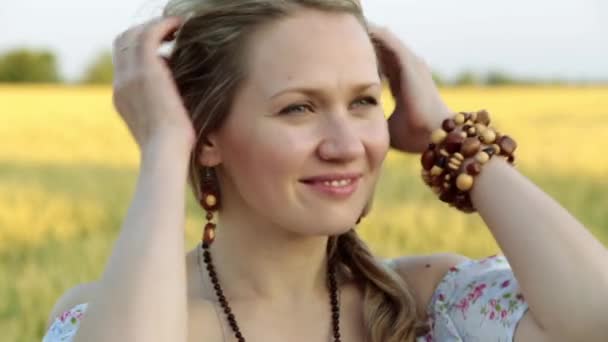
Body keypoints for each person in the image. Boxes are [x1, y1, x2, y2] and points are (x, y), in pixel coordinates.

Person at [42, 0, 608, 341]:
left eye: (363, 101)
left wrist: (450, 135)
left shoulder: (426, 305)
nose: (346, 146)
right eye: (298, 108)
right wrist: (166, 146)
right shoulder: (117, 317)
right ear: (207, 133)